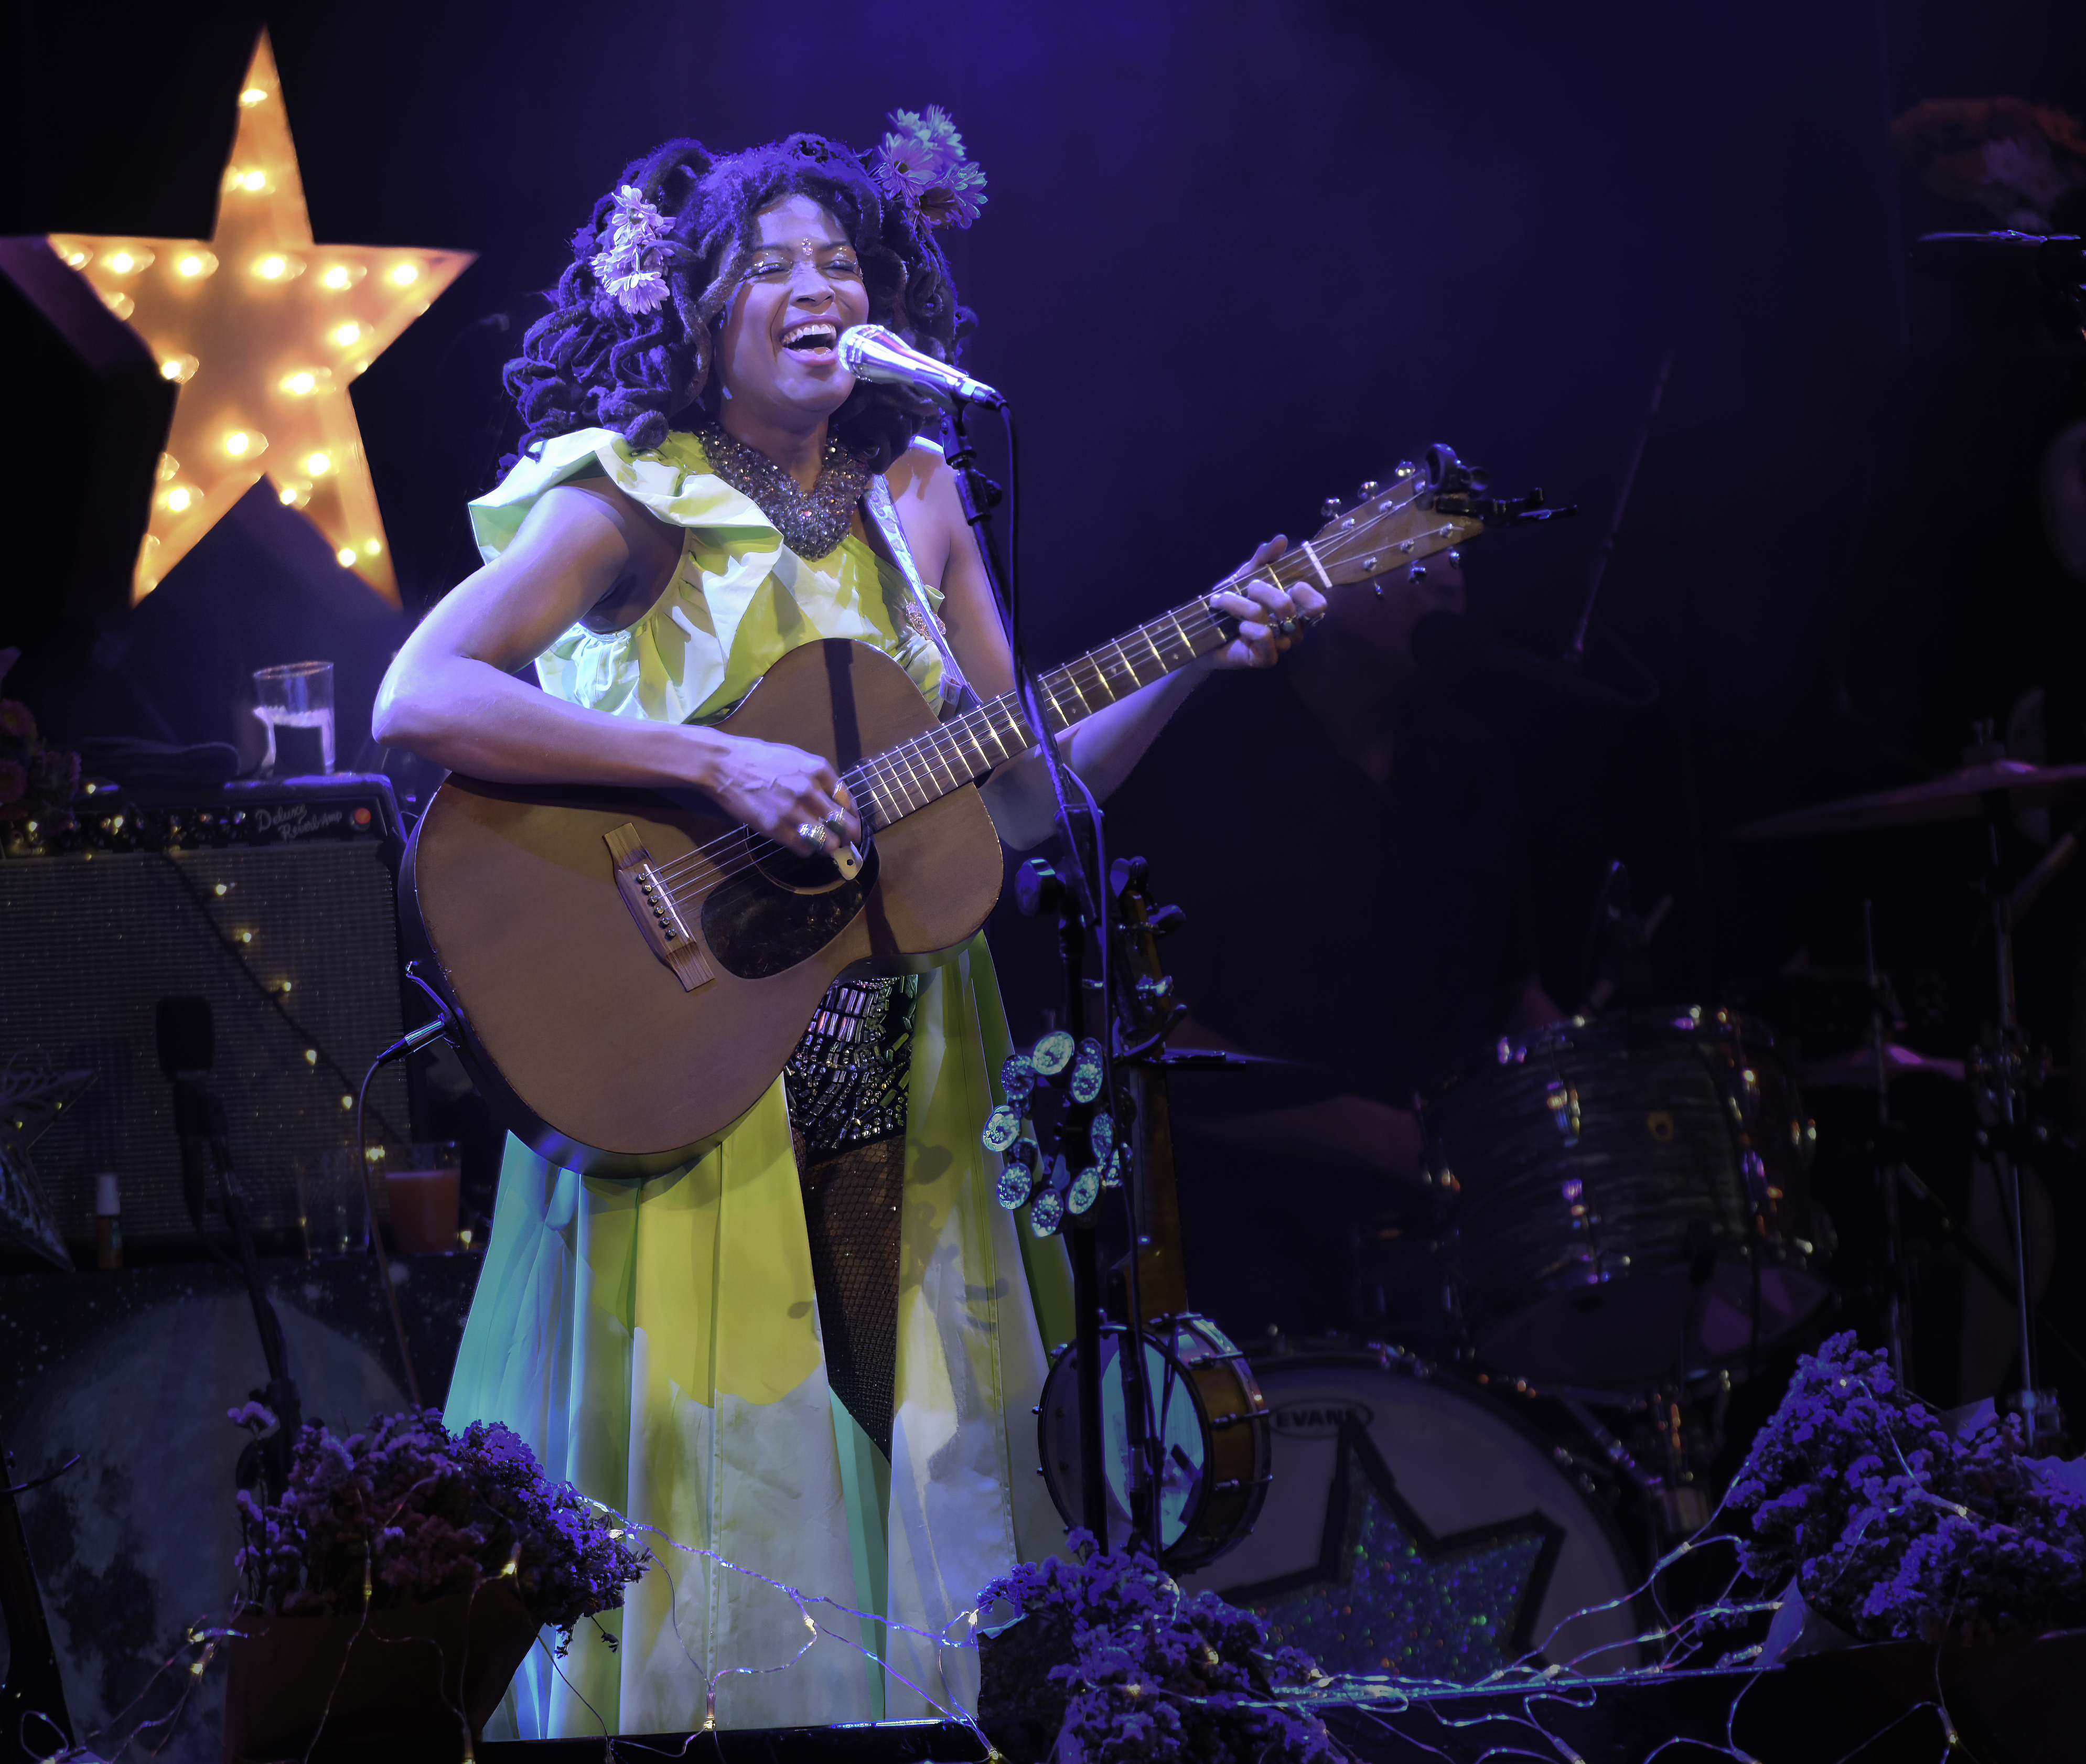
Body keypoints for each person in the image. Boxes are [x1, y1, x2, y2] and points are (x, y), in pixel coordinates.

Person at [371, 119, 1318, 1737]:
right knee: (725, 1454)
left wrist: (1192, 652)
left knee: (914, 1434)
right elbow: (419, 694)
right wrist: (707, 752)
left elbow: (1024, 799)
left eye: (844, 265)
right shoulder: (632, 493)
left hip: (903, 1050)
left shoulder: (923, 498)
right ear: (702, 307)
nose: (818, 289)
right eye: (775, 265)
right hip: (684, 1038)